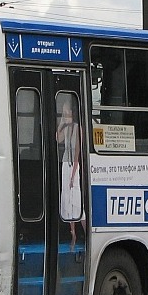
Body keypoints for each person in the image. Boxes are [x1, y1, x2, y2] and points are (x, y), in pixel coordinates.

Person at [57, 96, 85, 251]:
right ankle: (72, 233)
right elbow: (57, 139)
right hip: (64, 166)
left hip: (74, 167)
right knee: (66, 199)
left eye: (66, 112)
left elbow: (77, 153)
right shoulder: (66, 128)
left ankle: (84, 233)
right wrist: (61, 123)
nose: (65, 115)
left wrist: (73, 176)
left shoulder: (77, 128)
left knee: (76, 199)